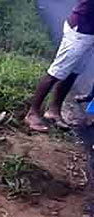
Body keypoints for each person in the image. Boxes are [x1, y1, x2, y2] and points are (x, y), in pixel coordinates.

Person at [26, 0, 94, 132]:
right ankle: (32, 113)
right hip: (80, 31)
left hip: (89, 32)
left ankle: (54, 110)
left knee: (73, 73)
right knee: (56, 72)